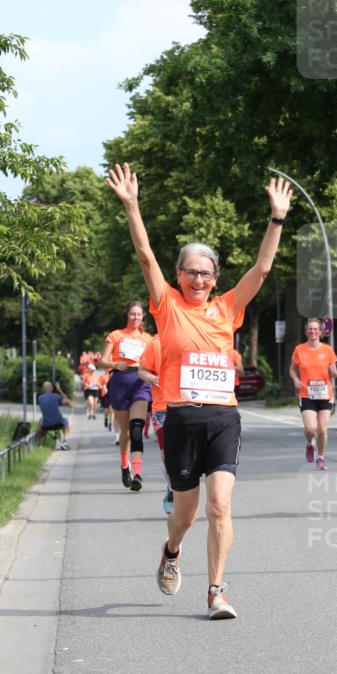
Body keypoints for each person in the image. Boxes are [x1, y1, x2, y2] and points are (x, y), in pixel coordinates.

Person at [106, 161, 291, 619]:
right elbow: (146, 256)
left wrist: (277, 218)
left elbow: (263, 269)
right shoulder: (166, 305)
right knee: (186, 515)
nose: (199, 280)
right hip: (182, 419)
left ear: (215, 277)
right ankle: (172, 549)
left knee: (221, 506)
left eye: (206, 273)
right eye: (191, 272)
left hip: (222, 417)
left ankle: (216, 591)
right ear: (179, 274)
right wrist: (132, 205)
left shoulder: (228, 308)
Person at [100, 302, 153, 490]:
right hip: (120, 382)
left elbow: (154, 362)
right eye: (132, 314)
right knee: (126, 433)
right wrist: (114, 364)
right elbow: (102, 362)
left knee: (137, 428)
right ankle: (125, 466)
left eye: (139, 315)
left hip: (140, 382)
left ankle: (137, 474)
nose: (136, 318)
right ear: (127, 316)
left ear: (143, 317)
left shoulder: (148, 339)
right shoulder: (116, 336)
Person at [290, 318, 337, 470]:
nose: (313, 331)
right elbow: (292, 369)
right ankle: (310, 444)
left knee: (322, 429)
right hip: (307, 394)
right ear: (306, 332)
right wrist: (296, 379)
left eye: (316, 329)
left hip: (324, 394)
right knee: (310, 428)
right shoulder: (299, 350)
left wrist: (333, 371)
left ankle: (321, 457)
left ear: (320, 332)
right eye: (310, 329)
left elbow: (334, 373)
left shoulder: (327, 350)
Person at [138, 335, 174, 514]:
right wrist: (152, 378)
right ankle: (171, 489)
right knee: (166, 454)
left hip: (189, 405)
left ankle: (185, 490)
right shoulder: (156, 342)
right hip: (162, 407)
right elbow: (141, 371)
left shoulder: (193, 332)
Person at [36, 379, 71, 449]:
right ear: (52, 388)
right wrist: (59, 389)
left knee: (40, 421)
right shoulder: (56, 396)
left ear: (43, 389)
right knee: (66, 420)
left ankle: (37, 442)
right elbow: (67, 402)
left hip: (46, 425)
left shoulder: (40, 398)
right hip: (58, 423)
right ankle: (65, 440)